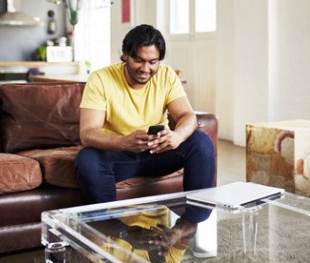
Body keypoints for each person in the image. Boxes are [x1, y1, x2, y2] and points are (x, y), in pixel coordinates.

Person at [76, 24, 216, 203]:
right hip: (118, 154)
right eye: (139, 60)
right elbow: (87, 133)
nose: (145, 68)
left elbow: (187, 116)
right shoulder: (100, 79)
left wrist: (176, 136)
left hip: (157, 152)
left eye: (153, 62)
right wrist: (124, 142)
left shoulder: (166, 75)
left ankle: (191, 222)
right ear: (125, 55)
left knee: (201, 142)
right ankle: (108, 226)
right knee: (87, 159)